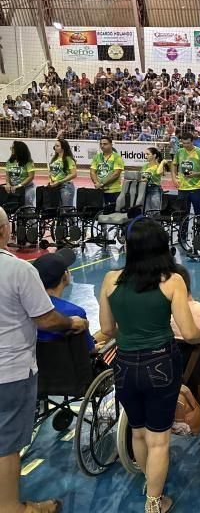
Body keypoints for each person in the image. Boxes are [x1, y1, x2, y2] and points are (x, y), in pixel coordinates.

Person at [98, 217, 200, 513]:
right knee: (159, 439)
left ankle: (150, 483)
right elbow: (189, 330)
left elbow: (107, 328)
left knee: (138, 431)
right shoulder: (172, 281)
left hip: (124, 362)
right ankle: (155, 502)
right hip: (160, 361)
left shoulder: (110, 280)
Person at [0, 207, 89, 513]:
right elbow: (48, 320)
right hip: (10, 370)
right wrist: (71, 324)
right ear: (4, 231)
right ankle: (12, 507)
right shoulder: (18, 270)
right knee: (6, 444)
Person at [32, 248, 95, 353]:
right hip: (70, 366)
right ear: (65, 276)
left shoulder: (26, 308)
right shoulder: (75, 312)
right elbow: (89, 351)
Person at [171, 133, 200, 215]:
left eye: (188, 143)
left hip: (197, 188)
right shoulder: (179, 151)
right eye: (184, 143)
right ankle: (183, 228)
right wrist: (174, 179)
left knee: (199, 213)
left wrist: (196, 174)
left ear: (192, 141)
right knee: (182, 214)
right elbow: (174, 165)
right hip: (182, 188)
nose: (185, 145)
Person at [90, 136, 125, 206]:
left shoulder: (117, 157)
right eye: (101, 144)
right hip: (99, 190)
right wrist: (96, 183)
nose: (102, 146)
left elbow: (116, 174)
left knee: (113, 213)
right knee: (101, 213)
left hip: (113, 191)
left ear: (111, 145)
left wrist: (102, 184)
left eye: (105, 144)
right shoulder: (97, 157)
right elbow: (92, 171)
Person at [4, 140, 36, 208]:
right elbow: (7, 175)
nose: (11, 149)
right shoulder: (9, 161)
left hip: (27, 188)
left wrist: (19, 185)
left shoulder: (28, 162)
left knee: (28, 206)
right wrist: (8, 184)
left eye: (12, 148)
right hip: (14, 188)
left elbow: (31, 177)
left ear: (18, 150)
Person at [47, 138, 77, 208]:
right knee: (57, 209)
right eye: (55, 146)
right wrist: (51, 180)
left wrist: (60, 181)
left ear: (63, 147)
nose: (55, 148)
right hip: (54, 186)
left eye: (57, 146)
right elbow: (52, 172)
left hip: (65, 186)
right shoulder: (54, 158)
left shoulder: (68, 159)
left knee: (66, 209)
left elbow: (74, 174)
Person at [141, 147, 167, 214]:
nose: (146, 156)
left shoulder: (159, 166)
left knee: (156, 212)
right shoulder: (144, 166)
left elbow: (159, 172)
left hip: (155, 190)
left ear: (154, 155)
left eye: (148, 154)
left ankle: (156, 224)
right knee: (146, 212)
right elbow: (141, 178)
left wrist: (162, 163)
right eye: (145, 154)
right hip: (145, 190)